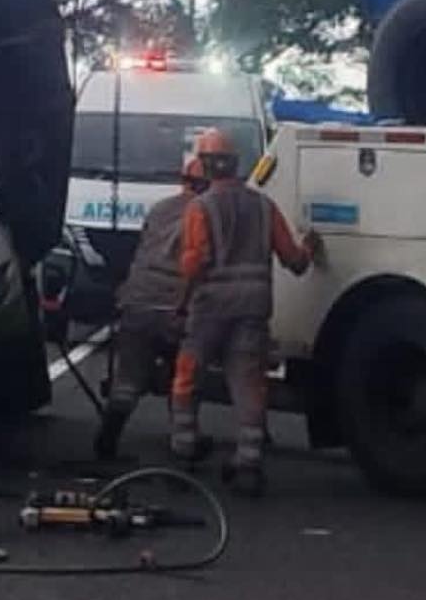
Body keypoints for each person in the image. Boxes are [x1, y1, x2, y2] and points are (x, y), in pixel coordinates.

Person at [170, 128, 323, 496]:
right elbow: (294, 261)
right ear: (236, 164)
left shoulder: (199, 208)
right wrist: (310, 249)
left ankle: (184, 446)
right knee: (248, 381)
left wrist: (182, 304)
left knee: (189, 373)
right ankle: (248, 461)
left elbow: (194, 263)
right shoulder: (264, 207)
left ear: (205, 165)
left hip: (209, 308)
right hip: (253, 308)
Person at [94, 157, 208, 461]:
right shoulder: (208, 213)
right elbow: (203, 262)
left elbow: (142, 249)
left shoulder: (160, 209)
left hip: (138, 300)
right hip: (176, 306)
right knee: (182, 381)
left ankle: (108, 437)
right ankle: (184, 445)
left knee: (128, 378)